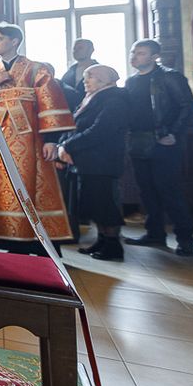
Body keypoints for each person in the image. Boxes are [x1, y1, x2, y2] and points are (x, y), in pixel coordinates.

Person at [0, 24, 75, 250]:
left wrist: (53, 139)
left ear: (14, 41)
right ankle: (2, 236)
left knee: (31, 185)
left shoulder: (36, 69)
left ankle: (34, 240)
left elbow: (50, 102)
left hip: (30, 141)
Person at [124, 39, 193, 255]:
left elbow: (187, 107)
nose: (134, 56)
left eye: (141, 53)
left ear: (155, 56)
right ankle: (155, 233)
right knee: (146, 191)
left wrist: (173, 134)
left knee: (169, 191)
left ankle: (185, 239)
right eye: (133, 52)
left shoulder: (170, 77)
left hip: (163, 141)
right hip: (138, 141)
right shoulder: (131, 81)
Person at [58, 65, 130, 261]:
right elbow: (74, 125)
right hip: (87, 161)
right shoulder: (92, 97)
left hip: (102, 161)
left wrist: (68, 146)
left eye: (90, 77)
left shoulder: (115, 99)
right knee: (95, 205)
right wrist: (63, 144)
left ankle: (113, 246)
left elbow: (100, 131)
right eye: (85, 77)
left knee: (105, 205)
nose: (85, 81)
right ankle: (102, 240)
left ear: (105, 80)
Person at [61, 38, 98, 111]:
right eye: (74, 49)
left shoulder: (100, 71)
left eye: (80, 48)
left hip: (92, 110)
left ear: (91, 50)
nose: (76, 51)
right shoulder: (70, 71)